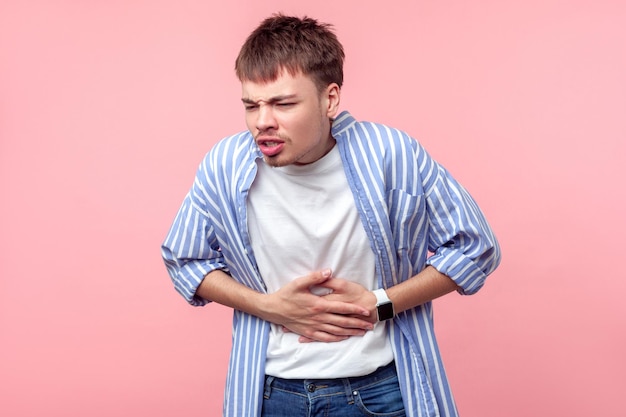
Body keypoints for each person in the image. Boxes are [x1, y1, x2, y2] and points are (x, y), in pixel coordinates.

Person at [161, 14, 501, 417]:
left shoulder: (392, 154)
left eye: (283, 103)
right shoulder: (224, 165)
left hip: (380, 392)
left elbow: (474, 247)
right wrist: (268, 306)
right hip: (270, 395)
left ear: (330, 99)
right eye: (251, 105)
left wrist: (381, 304)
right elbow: (185, 259)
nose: (262, 121)